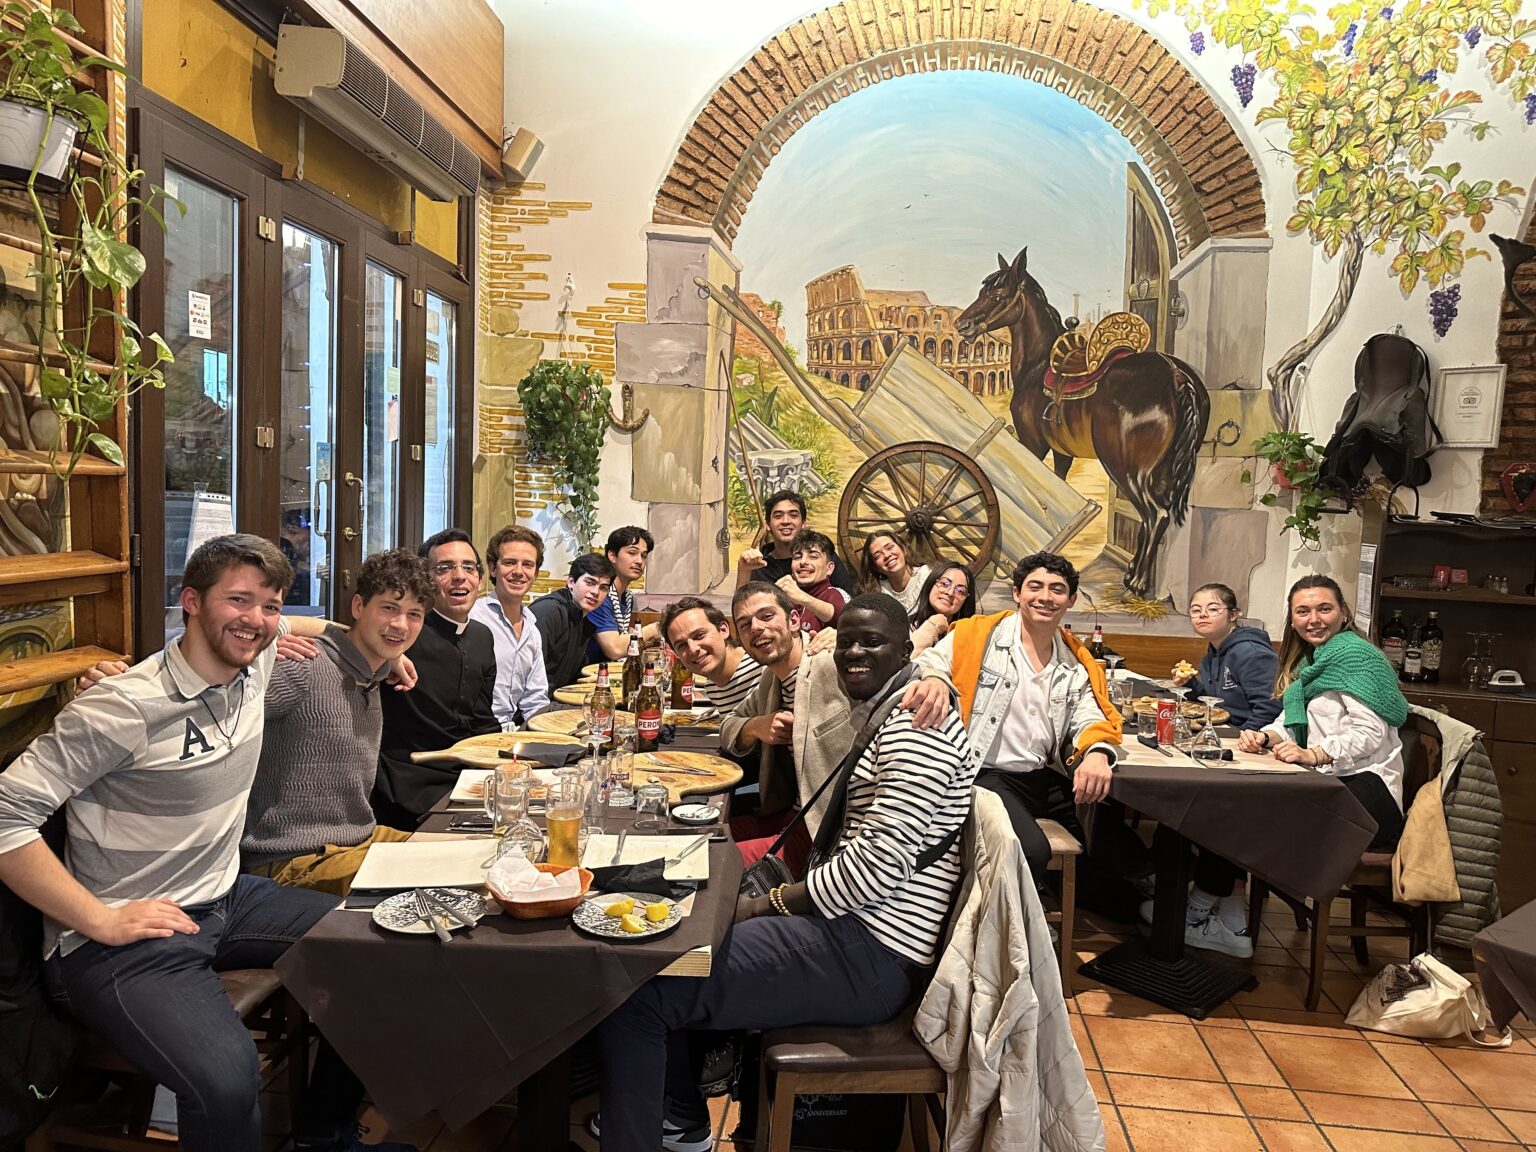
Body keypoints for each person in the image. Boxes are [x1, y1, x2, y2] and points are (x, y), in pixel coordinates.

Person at [0, 534, 410, 1152]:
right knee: (226, 1082)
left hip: (225, 898)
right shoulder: (123, 705)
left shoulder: (257, 667)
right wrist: (99, 919)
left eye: (270, 606)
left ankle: (324, 1137)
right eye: (237, 600)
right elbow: (6, 815)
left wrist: (381, 649)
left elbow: (300, 624)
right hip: (120, 939)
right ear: (190, 601)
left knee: (384, 949)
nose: (256, 620)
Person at [596, 594, 977, 1152]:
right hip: (855, 932)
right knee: (679, 929)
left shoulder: (916, 731)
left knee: (638, 988)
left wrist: (763, 905)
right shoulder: (889, 711)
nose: (854, 654)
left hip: (869, 953)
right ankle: (676, 1110)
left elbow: (875, 869)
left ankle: (665, 1124)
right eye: (847, 642)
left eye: (873, 643)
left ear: (906, 651)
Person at [905, 551, 1147, 919]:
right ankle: (1015, 931)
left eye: (1057, 589)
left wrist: (1097, 751)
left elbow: (1088, 714)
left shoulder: (1074, 662)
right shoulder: (978, 635)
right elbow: (929, 660)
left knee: (1124, 849)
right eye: (1035, 587)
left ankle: (1128, 907)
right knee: (1030, 850)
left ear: (1071, 600)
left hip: (1041, 776)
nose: (1045, 597)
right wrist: (936, 678)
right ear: (1017, 593)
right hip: (985, 774)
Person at [242, 549, 436, 894]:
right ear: (358, 606)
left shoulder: (371, 673)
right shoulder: (303, 664)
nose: (400, 625)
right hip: (294, 858)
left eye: (414, 614)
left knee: (473, 853)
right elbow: (219, 713)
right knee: (441, 882)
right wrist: (263, 651)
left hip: (358, 839)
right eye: (389, 608)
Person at [1239, 574, 1409, 849]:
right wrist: (1265, 737)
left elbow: (1370, 733)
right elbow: (1292, 721)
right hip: (1326, 779)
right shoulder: (1310, 661)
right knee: (1239, 807)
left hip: (1369, 788)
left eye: (1324, 609)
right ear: (1292, 621)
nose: (1314, 619)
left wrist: (1314, 754)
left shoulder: (1356, 657)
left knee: (1258, 819)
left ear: (1343, 613)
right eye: (1303, 612)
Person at [719, 583, 855, 872]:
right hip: (789, 815)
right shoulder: (771, 681)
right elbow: (728, 725)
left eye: (766, 616)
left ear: (794, 621)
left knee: (714, 862)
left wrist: (935, 678)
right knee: (704, 834)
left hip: (827, 834)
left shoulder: (830, 663)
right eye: (745, 624)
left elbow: (901, 673)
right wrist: (756, 726)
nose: (756, 628)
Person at [372, 529, 499, 830]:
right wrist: (391, 656)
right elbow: (343, 638)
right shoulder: (402, 633)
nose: (459, 576)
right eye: (444, 568)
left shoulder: (482, 637)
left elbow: (482, 721)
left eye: (468, 567)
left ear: (480, 579)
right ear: (425, 580)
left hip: (465, 775)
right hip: (406, 783)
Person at [470, 524, 550, 728]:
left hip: (512, 732)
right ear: (493, 568)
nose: (518, 572)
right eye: (510, 562)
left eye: (527, 565)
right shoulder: (473, 617)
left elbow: (535, 700)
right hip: (476, 733)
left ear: (536, 573)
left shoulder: (532, 629)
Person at [1172, 582, 1281, 731]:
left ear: (1233, 615)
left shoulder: (1253, 654)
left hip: (1247, 735)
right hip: (1221, 728)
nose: (1203, 614)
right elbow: (1214, 702)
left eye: (1213, 609)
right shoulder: (1212, 655)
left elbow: (1270, 709)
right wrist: (1189, 684)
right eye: (1196, 610)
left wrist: (1239, 737)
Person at [735, 489, 854, 593]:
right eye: (778, 516)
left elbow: (847, 601)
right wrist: (743, 571)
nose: (786, 521)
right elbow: (742, 607)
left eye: (793, 515)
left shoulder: (823, 556)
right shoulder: (758, 564)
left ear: (803, 523)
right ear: (767, 525)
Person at [529, 553, 616, 690]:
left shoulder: (583, 620)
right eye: (589, 583)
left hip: (558, 695)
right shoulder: (548, 611)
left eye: (603, 588)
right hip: (537, 700)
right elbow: (528, 673)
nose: (596, 592)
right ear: (571, 582)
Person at [661, 596, 762, 713]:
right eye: (681, 645)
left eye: (699, 635)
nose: (693, 649)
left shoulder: (762, 669)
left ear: (723, 630)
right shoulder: (712, 688)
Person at [589, 526, 658, 660]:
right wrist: (657, 627)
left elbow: (621, 632)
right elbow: (614, 649)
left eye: (643, 556)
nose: (639, 561)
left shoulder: (626, 597)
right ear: (612, 556)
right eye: (632, 553)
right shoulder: (600, 594)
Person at [777, 528, 849, 635]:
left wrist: (801, 597)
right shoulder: (785, 597)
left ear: (829, 568)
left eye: (813, 556)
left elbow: (848, 619)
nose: (803, 562)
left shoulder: (835, 594)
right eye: (797, 557)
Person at [909, 561, 977, 655]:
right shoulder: (905, 628)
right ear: (931, 584)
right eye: (945, 584)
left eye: (960, 591)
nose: (950, 593)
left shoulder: (968, 636)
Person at [857, 530, 931, 616]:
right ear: (875, 567)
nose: (887, 555)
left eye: (890, 548)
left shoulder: (927, 575)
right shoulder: (879, 593)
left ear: (903, 549)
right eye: (878, 556)